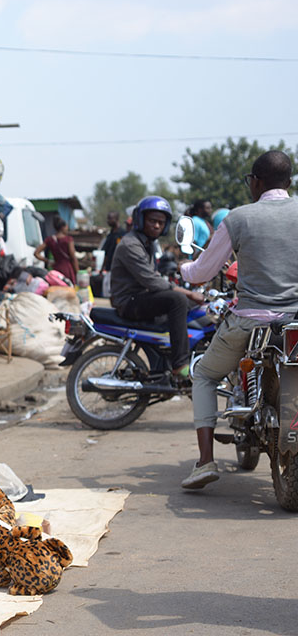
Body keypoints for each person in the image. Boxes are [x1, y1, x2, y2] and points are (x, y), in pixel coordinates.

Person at [179, 150, 298, 489]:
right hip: (295, 324)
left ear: (256, 182)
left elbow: (202, 273)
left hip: (251, 323)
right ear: (288, 182)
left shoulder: (239, 218)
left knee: (203, 375)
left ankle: (204, 462)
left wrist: (184, 268)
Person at [110, 196, 205, 380]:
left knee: (191, 308)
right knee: (178, 300)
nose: (156, 226)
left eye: (161, 222)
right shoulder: (131, 244)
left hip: (140, 297)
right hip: (129, 301)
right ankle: (180, 365)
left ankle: (168, 356)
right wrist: (189, 293)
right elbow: (152, 282)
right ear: (140, 220)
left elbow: (154, 274)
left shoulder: (148, 243)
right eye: (152, 221)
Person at [34, 217, 78, 283]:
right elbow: (73, 257)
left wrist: (48, 261)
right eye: (66, 227)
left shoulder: (50, 239)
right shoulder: (68, 239)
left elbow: (36, 253)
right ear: (62, 227)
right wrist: (77, 271)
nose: (67, 229)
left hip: (56, 269)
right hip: (67, 269)